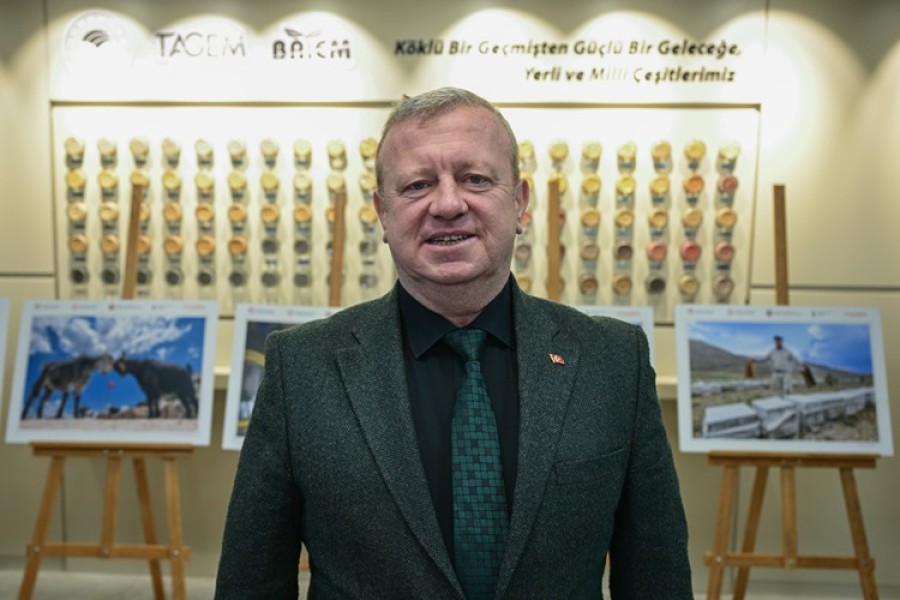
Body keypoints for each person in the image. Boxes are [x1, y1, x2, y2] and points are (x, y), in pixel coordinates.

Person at [215, 87, 692, 599]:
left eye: (475, 179)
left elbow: (656, 576)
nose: (447, 204)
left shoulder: (612, 360)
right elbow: (252, 582)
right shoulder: (302, 369)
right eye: (417, 185)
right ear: (382, 212)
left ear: (520, 203)